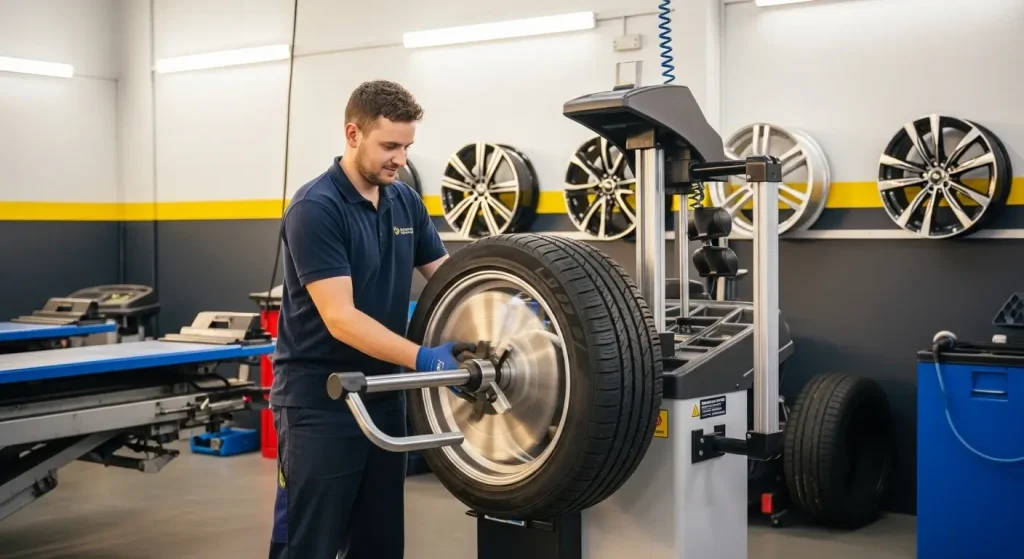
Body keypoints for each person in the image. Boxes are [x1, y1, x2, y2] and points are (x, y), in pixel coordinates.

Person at [268, 80, 467, 559]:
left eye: (407, 147)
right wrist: (424, 359)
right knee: (309, 543)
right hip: (320, 403)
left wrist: (502, 305)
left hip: (383, 396)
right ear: (353, 134)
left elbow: (448, 281)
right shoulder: (316, 208)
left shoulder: (405, 203)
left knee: (378, 544)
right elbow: (341, 319)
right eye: (389, 146)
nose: (400, 159)